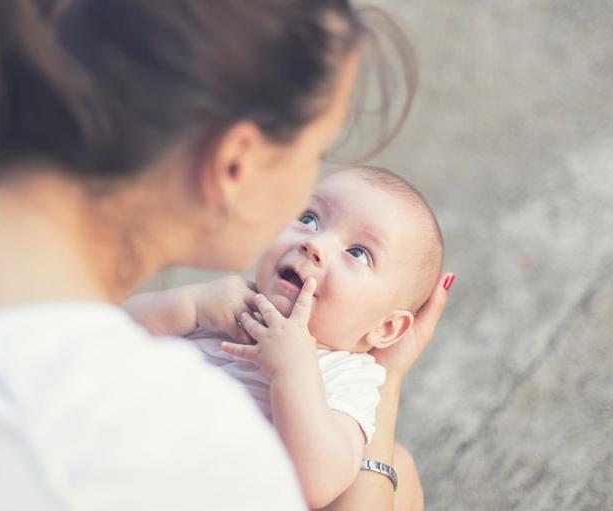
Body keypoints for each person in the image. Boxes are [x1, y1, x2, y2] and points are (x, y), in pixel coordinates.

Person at [0, 1, 452, 510]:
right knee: (393, 469)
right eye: (316, 155)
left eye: (357, 251)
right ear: (237, 163)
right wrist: (390, 388)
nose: (313, 241)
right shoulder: (174, 454)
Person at [125, 166, 444, 509]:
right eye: (309, 218)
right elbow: (108, 335)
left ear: (386, 329)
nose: (314, 244)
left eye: (357, 253)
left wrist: (293, 371)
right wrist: (191, 305)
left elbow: (316, 483)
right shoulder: (225, 306)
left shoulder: (346, 377)